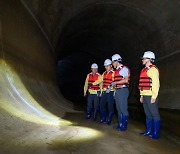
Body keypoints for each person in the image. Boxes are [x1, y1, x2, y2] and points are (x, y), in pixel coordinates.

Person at [139, 51, 161, 139]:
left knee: (154, 114)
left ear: (148, 59)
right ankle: (149, 131)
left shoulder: (153, 69)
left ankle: (156, 133)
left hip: (150, 95)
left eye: (144, 58)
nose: (142, 60)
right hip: (144, 95)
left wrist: (154, 96)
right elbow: (142, 84)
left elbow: (156, 84)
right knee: (148, 114)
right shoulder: (144, 70)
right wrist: (141, 95)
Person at [111, 54, 130, 131]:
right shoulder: (117, 70)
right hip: (118, 90)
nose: (112, 64)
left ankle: (124, 126)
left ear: (116, 61)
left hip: (123, 90)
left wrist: (116, 82)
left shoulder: (124, 69)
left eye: (113, 62)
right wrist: (115, 91)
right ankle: (120, 124)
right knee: (119, 109)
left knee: (123, 109)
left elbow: (125, 80)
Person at [92, 59, 115, 125]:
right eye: (105, 66)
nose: (106, 67)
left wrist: (114, 92)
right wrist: (93, 84)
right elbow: (99, 80)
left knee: (110, 106)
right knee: (101, 105)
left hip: (110, 91)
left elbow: (114, 83)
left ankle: (109, 120)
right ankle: (103, 118)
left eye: (107, 66)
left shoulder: (113, 73)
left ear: (111, 65)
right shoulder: (104, 73)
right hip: (105, 91)